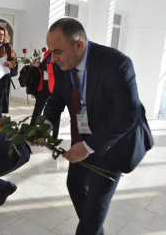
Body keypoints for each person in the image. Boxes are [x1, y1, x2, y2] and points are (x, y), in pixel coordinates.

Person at [43, 18, 154, 235]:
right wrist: (44, 126)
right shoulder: (62, 65)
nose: (52, 58)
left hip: (115, 140)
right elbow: (56, 99)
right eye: (50, 51)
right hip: (85, 135)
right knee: (75, 185)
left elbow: (127, 116)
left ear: (78, 45)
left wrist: (88, 146)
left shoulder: (116, 64)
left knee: (95, 204)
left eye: (57, 51)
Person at [30, 51, 60, 139]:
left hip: (54, 86)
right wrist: (34, 66)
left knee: (55, 111)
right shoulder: (47, 53)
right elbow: (43, 69)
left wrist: (39, 64)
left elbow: (55, 68)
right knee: (37, 110)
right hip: (43, 86)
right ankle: (31, 131)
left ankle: (54, 137)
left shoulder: (59, 53)